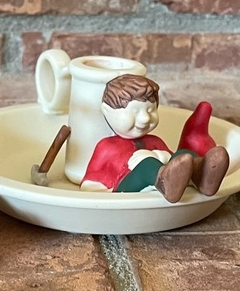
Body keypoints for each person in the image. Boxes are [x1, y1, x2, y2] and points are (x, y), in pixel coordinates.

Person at [80, 74, 229, 203]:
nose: (145, 118)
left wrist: (161, 155)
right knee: (147, 165)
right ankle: (165, 183)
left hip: (163, 179)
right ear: (107, 111)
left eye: (151, 110)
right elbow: (90, 181)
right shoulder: (106, 146)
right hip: (124, 190)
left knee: (183, 154)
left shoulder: (154, 141)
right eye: (135, 112)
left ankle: (202, 174)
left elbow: (176, 164)